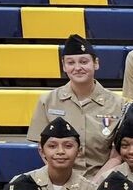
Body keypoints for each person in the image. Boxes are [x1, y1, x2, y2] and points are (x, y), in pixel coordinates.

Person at [27, 34, 123, 179]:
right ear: (64, 66)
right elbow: (43, 148)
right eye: (71, 63)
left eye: (84, 62)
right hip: (60, 178)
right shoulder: (47, 101)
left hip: (105, 180)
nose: (77, 68)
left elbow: (118, 153)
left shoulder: (118, 104)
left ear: (96, 63)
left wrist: (95, 183)